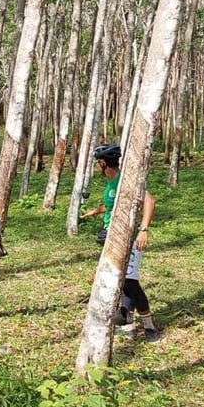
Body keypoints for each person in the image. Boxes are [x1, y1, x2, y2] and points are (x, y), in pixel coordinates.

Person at [81, 143, 158, 341]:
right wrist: (95, 211)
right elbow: (112, 205)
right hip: (112, 236)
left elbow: (149, 201)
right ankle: (127, 323)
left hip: (130, 237)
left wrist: (143, 230)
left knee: (130, 282)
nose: (95, 167)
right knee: (120, 281)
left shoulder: (124, 181)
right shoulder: (111, 184)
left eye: (96, 163)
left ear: (103, 163)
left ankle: (149, 327)